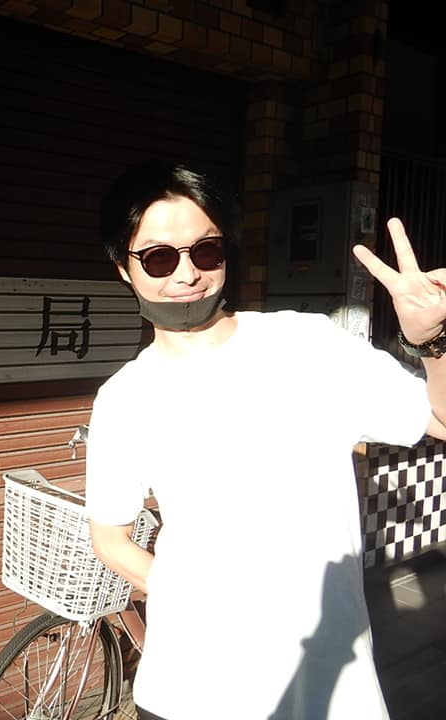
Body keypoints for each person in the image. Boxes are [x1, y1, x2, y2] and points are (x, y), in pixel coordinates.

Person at [83, 161, 446, 720]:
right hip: (189, 687)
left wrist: (433, 342)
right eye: (159, 258)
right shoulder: (124, 397)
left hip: (329, 681)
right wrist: (190, 595)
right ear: (124, 269)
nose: (188, 274)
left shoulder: (307, 344)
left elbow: (439, 420)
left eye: (206, 250)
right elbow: (109, 536)